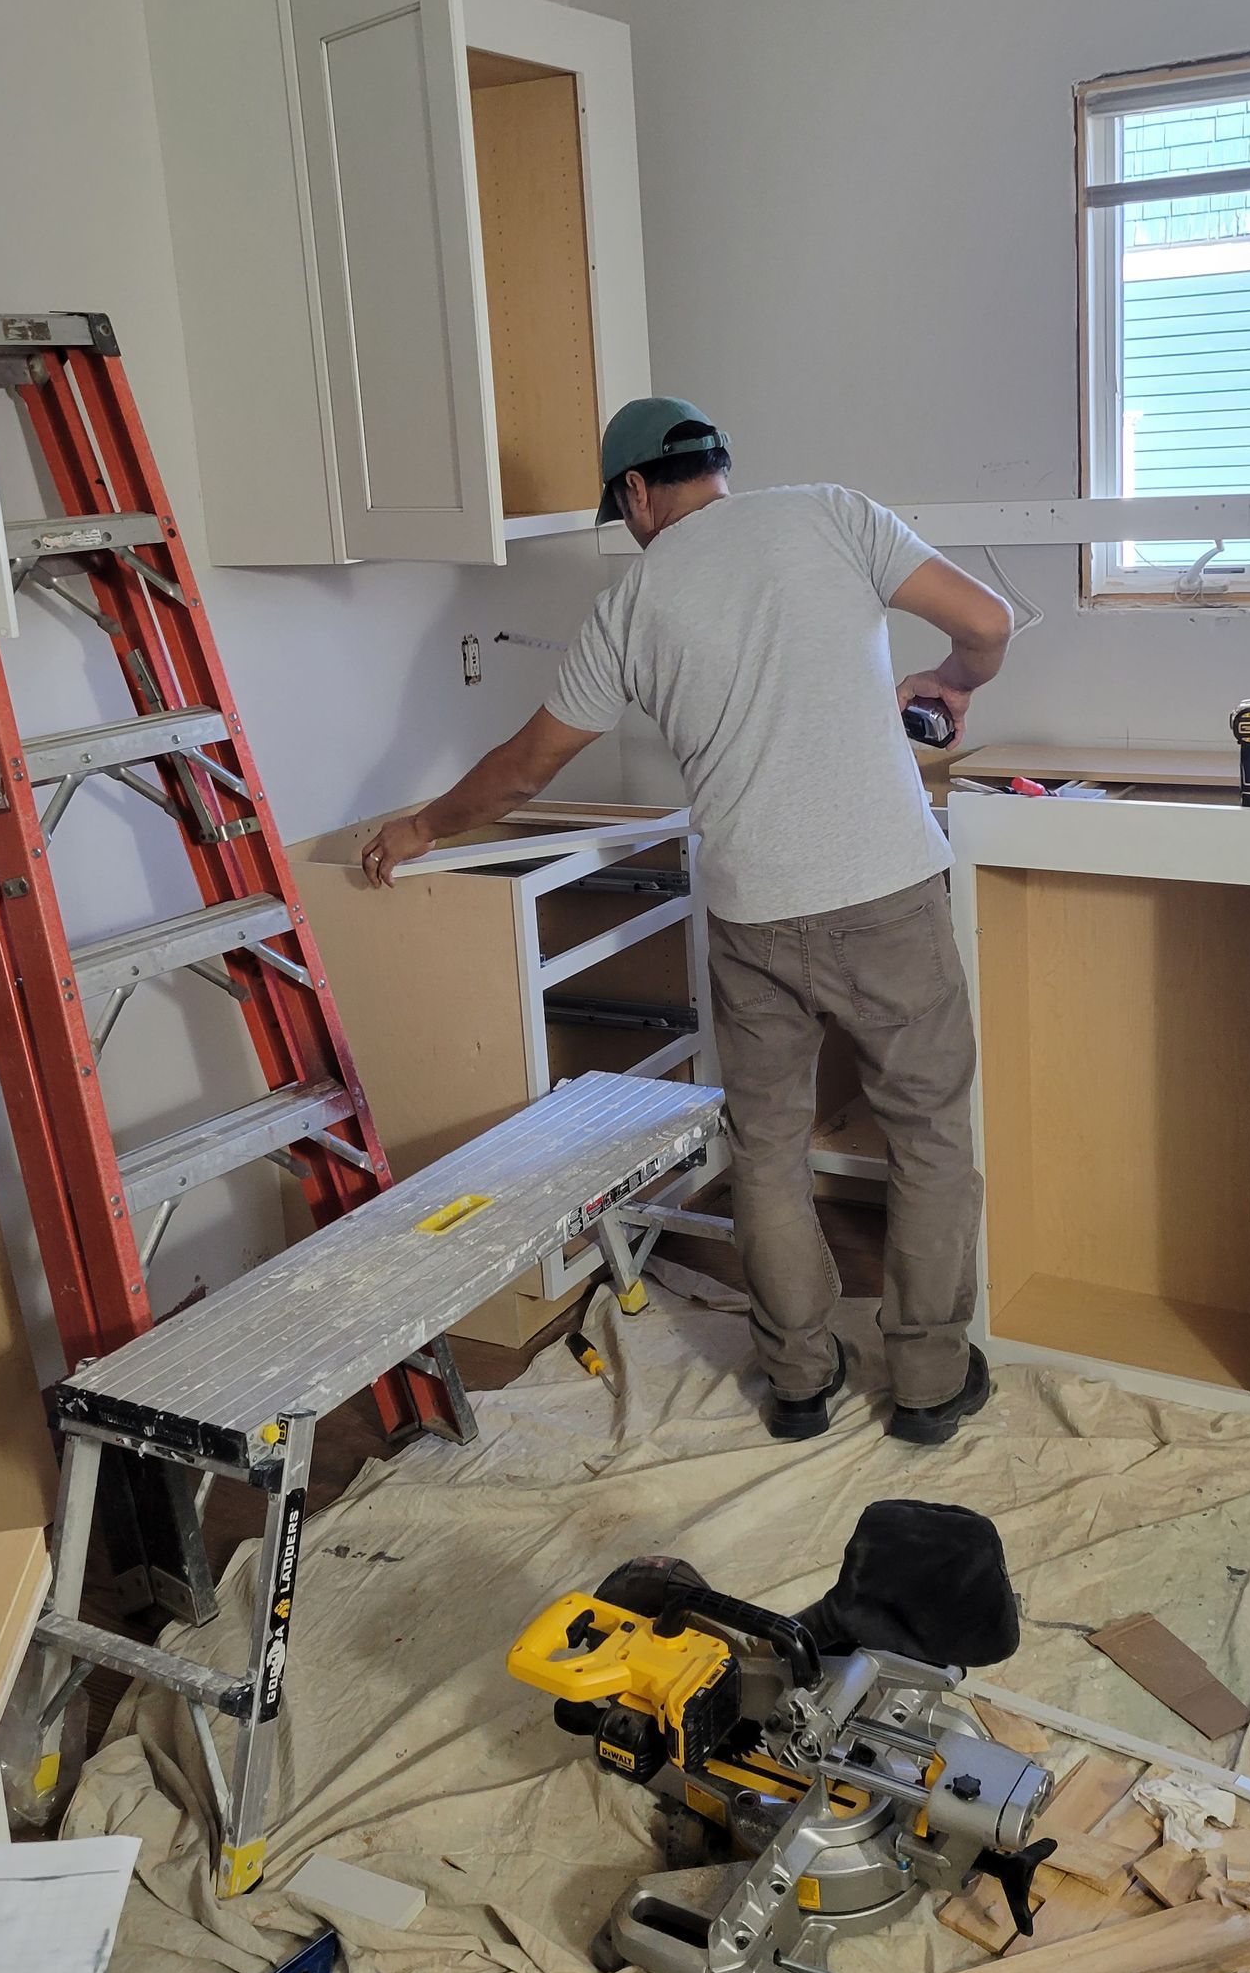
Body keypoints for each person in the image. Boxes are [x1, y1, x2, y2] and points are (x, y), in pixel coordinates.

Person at [361, 398, 1014, 1444]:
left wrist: (420, 828)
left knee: (768, 1147)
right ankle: (931, 1382)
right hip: (888, 894)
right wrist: (954, 680)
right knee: (929, 1138)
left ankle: (800, 1381)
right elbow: (986, 624)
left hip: (756, 913)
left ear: (633, 494)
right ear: (719, 468)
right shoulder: (831, 515)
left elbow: (523, 770)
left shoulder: (632, 604)